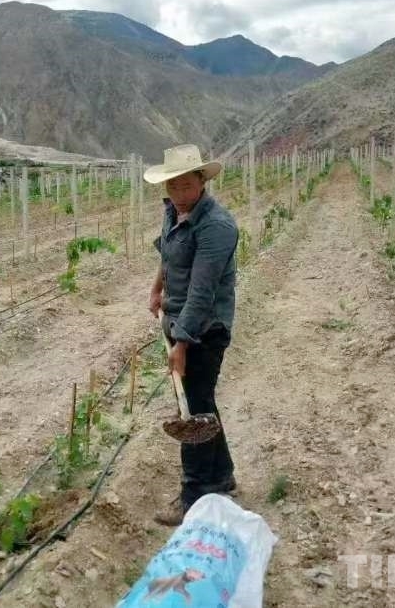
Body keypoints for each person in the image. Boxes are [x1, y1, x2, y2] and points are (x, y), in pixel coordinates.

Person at [144, 144, 239, 526]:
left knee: (192, 413)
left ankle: (193, 494)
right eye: (173, 187)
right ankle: (222, 475)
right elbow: (168, 255)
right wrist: (157, 289)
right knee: (201, 402)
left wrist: (182, 345)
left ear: (202, 181)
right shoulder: (174, 211)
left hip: (205, 329)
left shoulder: (216, 227)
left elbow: (202, 293)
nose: (179, 194)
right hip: (178, 320)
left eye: (186, 186)